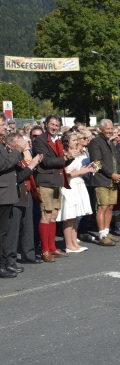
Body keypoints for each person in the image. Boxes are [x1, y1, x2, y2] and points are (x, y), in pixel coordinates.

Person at [32, 114, 77, 262]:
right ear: (46, 124)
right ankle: (45, 250)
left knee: (54, 215)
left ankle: (52, 247)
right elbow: (46, 162)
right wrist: (66, 157)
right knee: (46, 215)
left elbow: (61, 164)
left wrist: (70, 157)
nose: (54, 127)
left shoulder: (56, 141)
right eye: (52, 124)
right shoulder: (39, 140)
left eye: (57, 125)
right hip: (45, 182)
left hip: (57, 181)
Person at [4, 132, 43, 273]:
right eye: (20, 142)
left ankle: (29, 254)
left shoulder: (21, 156)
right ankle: (10, 260)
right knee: (13, 232)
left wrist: (32, 163)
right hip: (15, 195)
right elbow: (17, 178)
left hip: (26, 194)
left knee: (28, 227)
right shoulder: (10, 157)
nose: (24, 144)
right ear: (11, 144)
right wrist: (30, 166)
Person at [0, 114, 31, 278]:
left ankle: (6, 263)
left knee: (4, 232)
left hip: (7, 192)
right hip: (2, 192)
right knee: (1, 232)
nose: (5, 127)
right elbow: (3, 164)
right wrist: (18, 150)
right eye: (2, 124)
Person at [56, 131, 94, 252]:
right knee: (69, 216)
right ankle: (69, 244)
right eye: (73, 140)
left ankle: (74, 242)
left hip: (78, 184)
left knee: (75, 216)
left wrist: (87, 169)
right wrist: (81, 172)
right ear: (67, 142)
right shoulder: (63, 154)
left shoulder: (78, 153)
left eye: (76, 140)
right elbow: (64, 174)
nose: (76, 142)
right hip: (69, 186)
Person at [89, 119, 120, 246]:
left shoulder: (110, 142)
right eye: (107, 129)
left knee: (110, 207)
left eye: (111, 128)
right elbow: (97, 162)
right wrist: (111, 174)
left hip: (112, 180)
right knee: (102, 207)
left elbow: (114, 161)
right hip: (101, 180)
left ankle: (107, 232)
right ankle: (102, 235)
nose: (110, 131)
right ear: (101, 129)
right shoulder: (95, 142)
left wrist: (119, 173)